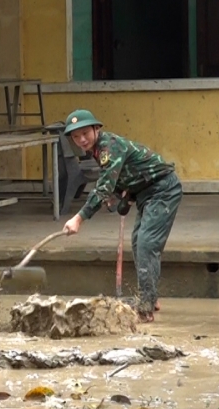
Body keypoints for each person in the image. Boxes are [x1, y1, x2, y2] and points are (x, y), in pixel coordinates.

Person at [60, 110, 181, 323]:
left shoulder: (109, 147)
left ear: (97, 129)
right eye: (76, 136)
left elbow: (105, 184)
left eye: (85, 133)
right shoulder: (97, 150)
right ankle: (150, 298)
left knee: (146, 243)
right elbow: (123, 178)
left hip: (163, 190)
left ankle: (145, 307)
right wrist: (123, 197)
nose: (81, 140)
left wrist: (79, 218)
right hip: (146, 193)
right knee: (138, 242)